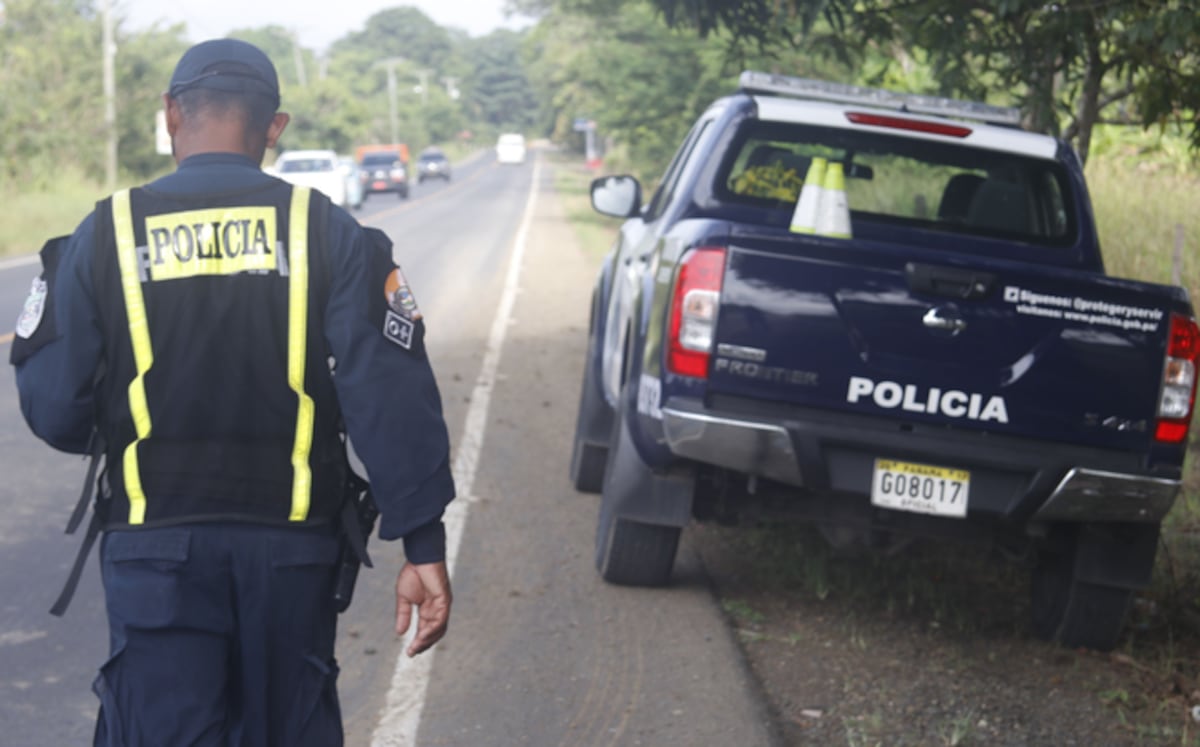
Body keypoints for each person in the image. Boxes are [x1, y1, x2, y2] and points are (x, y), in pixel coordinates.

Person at [9, 38, 455, 746]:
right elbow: (389, 395)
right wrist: (423, 542)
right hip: (292, 556)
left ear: (169, 115)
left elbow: (55, 408)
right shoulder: (328, 232)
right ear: (274, 127)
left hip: (154, 554)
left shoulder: (107, 233)